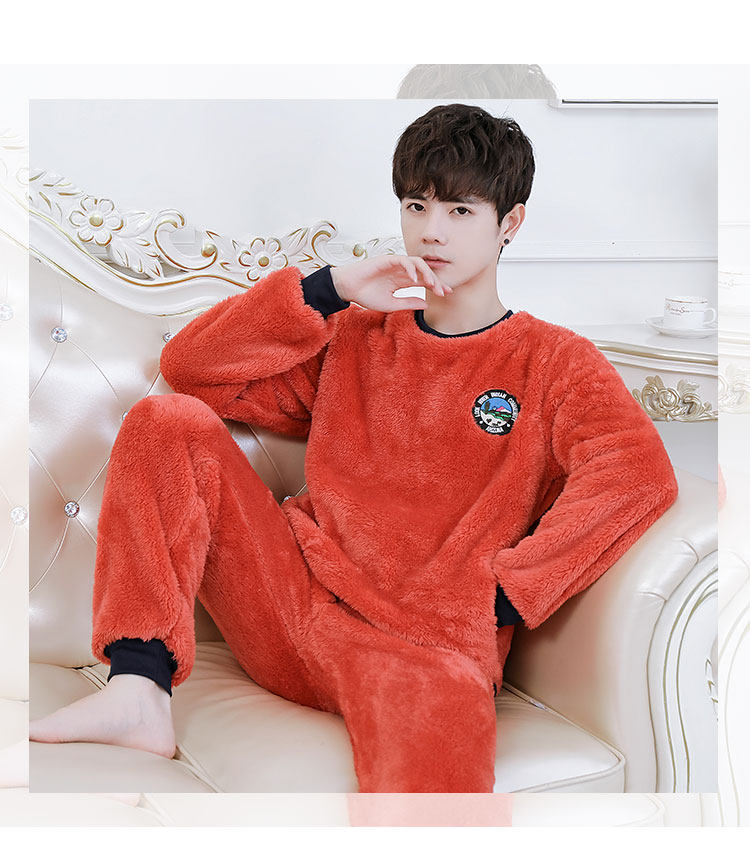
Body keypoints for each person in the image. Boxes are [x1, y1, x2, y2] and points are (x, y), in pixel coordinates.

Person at [29, 103, 679, 793]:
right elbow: (192, 368)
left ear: (509, 223)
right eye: (417, 205)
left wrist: (507, 596)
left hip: (423, 646)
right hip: (289, 605)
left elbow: (637, 472)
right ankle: (138, 689)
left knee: (435, 808)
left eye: (460, 210)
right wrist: (332, 288)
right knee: (167, 420)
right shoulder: (357, 334)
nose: (431, 230)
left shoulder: (554, 361)